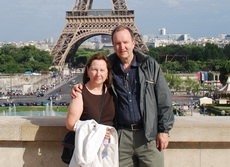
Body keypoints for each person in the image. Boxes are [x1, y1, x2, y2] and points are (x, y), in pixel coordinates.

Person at [71, 25, 174, 167]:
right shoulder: (109, 67)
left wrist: (164, 130)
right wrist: (80, 86)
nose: (122, 47)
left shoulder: (149, 65)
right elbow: (95, 78)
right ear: (113, 45)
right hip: (121, 136)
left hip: (148, 135)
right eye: (118, 43)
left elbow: (164, 99)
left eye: (125, 42)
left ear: (133, 43)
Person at [66, 53, 118, 166]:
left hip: (108, 150)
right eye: (94, 70)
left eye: (102, 70)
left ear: (107, 72)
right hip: (88, 150)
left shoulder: (113, 92)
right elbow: (71, 124)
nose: (98, 74)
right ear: (88, 70)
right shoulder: (80, 93)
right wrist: (99, 132)